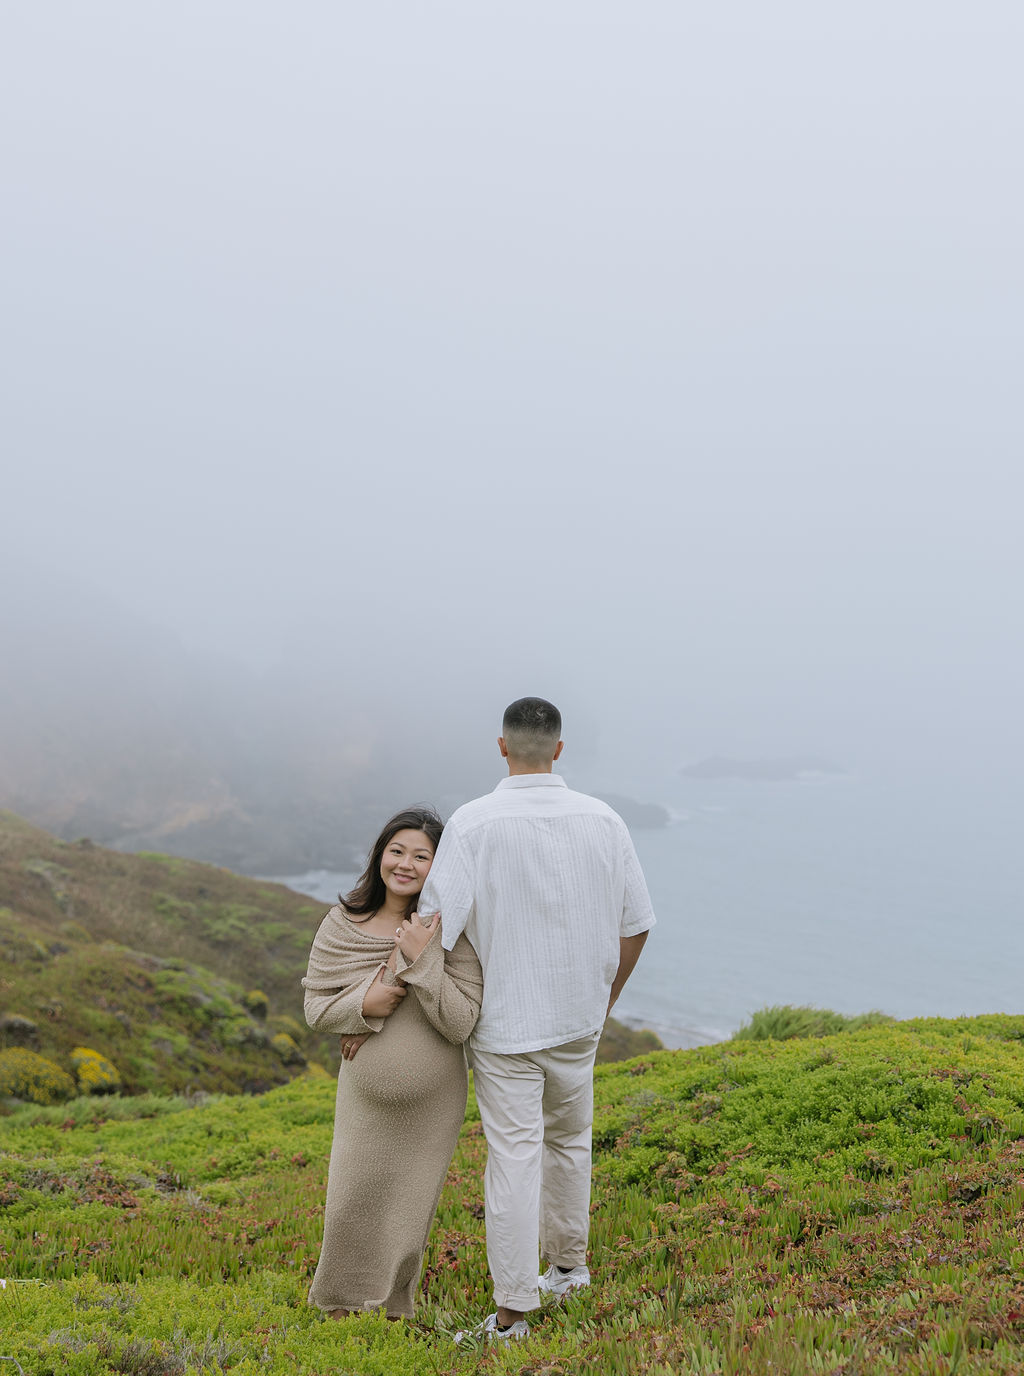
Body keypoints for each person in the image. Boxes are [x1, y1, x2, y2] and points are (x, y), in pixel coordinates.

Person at [418, 697, 656, 1342]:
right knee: (569, 1140)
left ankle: (514, 1314)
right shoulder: (604, 820)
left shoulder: (473, 824)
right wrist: (605, 998)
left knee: (515, 1157)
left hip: (506, 1024)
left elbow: (433, 932)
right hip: (579, 1018)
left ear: (502, 747)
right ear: (558, 748)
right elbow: (636, 925)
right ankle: (569, 1268)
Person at [301, 806, 483, 1321]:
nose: (405, 864)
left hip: (433, 1101)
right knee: (349, 1200)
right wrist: (365, 1005)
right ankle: (336, 1305)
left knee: (408, 1210)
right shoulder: (342, 923)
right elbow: (317, 1009)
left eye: (421, 856)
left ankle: (393, 1310)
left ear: (439, 866)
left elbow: (460, 1022)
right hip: (364, 1096)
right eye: (396, 850)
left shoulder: (454, 931)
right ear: (380, 854)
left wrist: (423, 960)